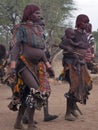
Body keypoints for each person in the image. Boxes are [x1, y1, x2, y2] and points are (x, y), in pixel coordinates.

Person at [8, 4, 55, 130]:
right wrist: (12, 67)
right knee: (35, 91)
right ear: (29, 14)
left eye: (39, 13)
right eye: (36, 13)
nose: (39, 16)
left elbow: (41, 51)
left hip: (37, 66)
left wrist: (48, 66)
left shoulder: (39, 29)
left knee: (27, 93)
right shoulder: (21, 28)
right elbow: (16, 48)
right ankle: (30, 124)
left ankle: (18, 123)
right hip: (24, 64)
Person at [22, 17, 58, 124]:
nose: (42, 27)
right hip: (30, 67)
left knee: (45, 90)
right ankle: (25, 116)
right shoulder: (28, 37)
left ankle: (46, 114)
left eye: (43, 26)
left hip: (41, 67)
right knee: (31, 91)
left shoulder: (41, 37)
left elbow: (43, 53)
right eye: (40, 25)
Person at [59, 14, 93, 121]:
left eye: (87, 22)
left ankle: (73, 106)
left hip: (81, 63)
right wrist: (68, 49)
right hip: (71, 63)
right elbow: (62, 44)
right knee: (74, 86)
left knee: (87, 84)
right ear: (79, 22)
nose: (86, 24)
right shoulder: (72, 33)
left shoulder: (85, 34)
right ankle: (68, 113)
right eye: (84, 22)